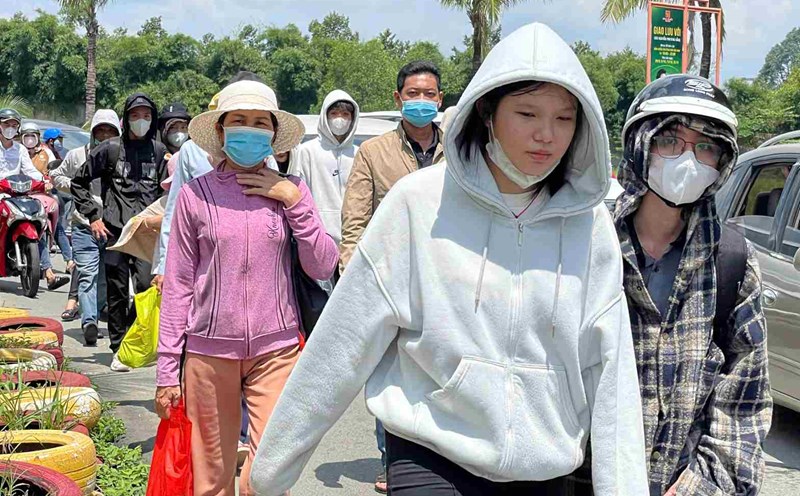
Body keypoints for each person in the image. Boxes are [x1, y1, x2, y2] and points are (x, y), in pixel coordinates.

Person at [251, 22, 648, 496]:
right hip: (431, 454)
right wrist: (270, 471)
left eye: (564, 119)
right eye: (527, 113)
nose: (546, 135)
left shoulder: (590, 225)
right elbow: (343, 342)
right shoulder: (418, 203)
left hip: (542, 467)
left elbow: (612, 370)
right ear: (486, 110)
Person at [154, 80, 338, 496]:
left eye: (260, 122)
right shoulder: (196, 196)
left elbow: (323, 264)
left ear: (273, 133)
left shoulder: (292, 190)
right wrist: (167, 370)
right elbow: (179, 285)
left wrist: (293, 201)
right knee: (211, 478)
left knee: (270, 474)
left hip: (277, 350)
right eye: (239, 120)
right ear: (221, 130)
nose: (250, 130)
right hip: (208, 353)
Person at [614, 75, 773, 496]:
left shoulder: (732, 261)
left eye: (705, 147)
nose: (688, 160)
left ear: (722, 162)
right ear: (640, 146)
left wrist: (703, 486)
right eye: (670, 141)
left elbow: (745, 399)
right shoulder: (589, 243)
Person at [338, 61, 446, 492]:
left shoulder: (460, 149)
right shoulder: (373, 152)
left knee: (441, 371)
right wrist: (352, 271)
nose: (421, 101)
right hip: (393, 279)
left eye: (429, 94)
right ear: (398, 99)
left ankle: (442, 458)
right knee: (393, 373)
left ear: (440, 99)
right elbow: (355, 219)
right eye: (413, 94)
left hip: (447, 280)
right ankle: (393, 459)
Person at [71, 94, 168, 369]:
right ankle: (118, 347)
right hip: (114, 230)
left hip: (146, 231)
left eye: (146, 116)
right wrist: (93, 216)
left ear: (153, 120)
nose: (141, 121)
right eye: (135, 115)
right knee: (116, 290)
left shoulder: (159, 152)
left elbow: (169, 191)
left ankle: (135, 340)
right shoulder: (110, 149)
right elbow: (79, 182)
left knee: (146, 287)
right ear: (126, 119)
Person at [52, 109, 120, 342]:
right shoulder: (76, 155)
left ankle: (95, 312)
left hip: (112, 226)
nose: (105, 136)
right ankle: (89, 321)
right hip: (84, 225)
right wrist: (75, 188)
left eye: (110, 131)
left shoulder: (123, 157)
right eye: (100, 131)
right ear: (93, 133)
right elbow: (57, 176)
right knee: (87, 274)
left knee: (104, 277)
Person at [0, 109, 68, 290]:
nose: (10, 128)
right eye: (6, 124)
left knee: (36, 220)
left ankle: (45, 269)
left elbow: (29, 170)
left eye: (14, 125)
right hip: (0, 194)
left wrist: (43, 181)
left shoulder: (20, 149)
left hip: (17, 194)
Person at [292, 90, 360, 246]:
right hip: (316, 235)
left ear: (353, 118)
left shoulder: (359, 153)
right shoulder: (307, 151)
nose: (339, 119)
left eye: (345, 114)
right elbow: (298, 193)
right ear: (324, 116)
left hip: (353, 237)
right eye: (334, 114)